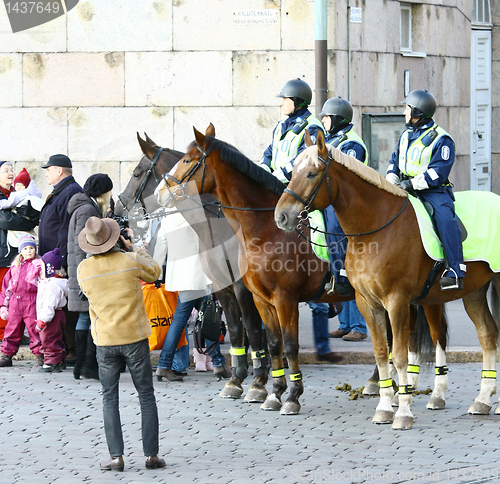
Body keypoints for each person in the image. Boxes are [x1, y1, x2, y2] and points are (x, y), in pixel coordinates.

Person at [259, 78, 342, 363]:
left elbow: (306, 160)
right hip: (280, 191)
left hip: (305, 192)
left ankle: (338, 272)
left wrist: (277, 173)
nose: (281, 103)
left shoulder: (312, 127)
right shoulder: (280, 127)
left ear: (298, 102)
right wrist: (259, 173)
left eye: (285, 99)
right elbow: (268, 155)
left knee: (329, 224)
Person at [77, 217, 165, 472]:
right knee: (146, 395)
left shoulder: (84, 269)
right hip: (134, 337)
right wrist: (134, 248)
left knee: (109, 398)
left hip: (105, 339)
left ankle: (116, 457)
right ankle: (151, 455)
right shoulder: (129, 261)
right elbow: (155, 272)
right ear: (115, 239)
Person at [385, 89, 465, 290]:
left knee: (446, 220)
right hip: (403, 187)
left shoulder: (442, 139)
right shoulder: (405, 135)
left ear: (418, 112)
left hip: (432, 191)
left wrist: (411, 184)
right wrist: (390, 182)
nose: (404, 112)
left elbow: (438, 173)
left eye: (407, 108)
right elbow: (394, 162)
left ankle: (455, 270)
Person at [152, 205, 231, 381]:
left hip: (181, 277)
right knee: (202, 320)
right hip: (200, 275)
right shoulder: (198, 214)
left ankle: (217, 363)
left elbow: (160, 248)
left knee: (198, 320)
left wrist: (156, 275)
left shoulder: (168, 218)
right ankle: (166, 365)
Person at [318, 96, 369, 342]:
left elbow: (347, 177)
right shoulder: (330, 141)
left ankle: (359, 325)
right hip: (330, 206)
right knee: (338, 265)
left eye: (326, 117)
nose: (323, 121)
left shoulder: (352, 144)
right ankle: (346, 322)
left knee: (349, 265)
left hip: (346, 209)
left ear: (338, 118)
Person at [67, 173, 113, 380]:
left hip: (81, 271)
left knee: (85, 317)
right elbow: (85, 246)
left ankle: (82, 366)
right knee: (87, 317)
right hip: (85, 273)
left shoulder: (84, 206)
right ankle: (86, 365)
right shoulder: (87, 210)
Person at [39, 154, 83, 363]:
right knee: (58, 306)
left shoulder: (70, 191)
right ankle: (64, 348)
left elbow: (66, 230)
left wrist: (62, 262)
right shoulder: (63, 191)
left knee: (66, 307)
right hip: (53, 262)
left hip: (60, 263)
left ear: (59, 170)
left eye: (49, 169)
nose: (46, 173)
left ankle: (71, 349)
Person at [0, 162, 39, 339]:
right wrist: (29, 222)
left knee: (17, 292)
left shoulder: (16, 194)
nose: (10, 173)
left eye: (11, 170)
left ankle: (13, 330)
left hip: (19, 253)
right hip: (3, 253)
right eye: (5, 171)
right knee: (4, 292)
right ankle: (3, 333)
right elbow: (7, 220)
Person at [0, 235, 43, 367]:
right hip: (15, 301)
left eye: (31, 248)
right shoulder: (14, 267)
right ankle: (6, 354)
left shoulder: (38, 266)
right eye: (25, 248)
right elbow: (7, 288)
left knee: (34, 329)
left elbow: (44, 284)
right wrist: (4, 305)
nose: (29, 251)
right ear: (20, 251)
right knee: (12, 329)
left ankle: (40, 354)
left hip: (32, 300)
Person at [35, 248, 68, 373]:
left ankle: (51, 362)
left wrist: (42, 321)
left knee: (49, 339)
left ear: (49, 269)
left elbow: (49, 305)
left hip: (51, 317)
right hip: (58, 314)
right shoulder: (57, 283)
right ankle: (60, 359)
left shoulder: (51, 285)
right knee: (58, 338)